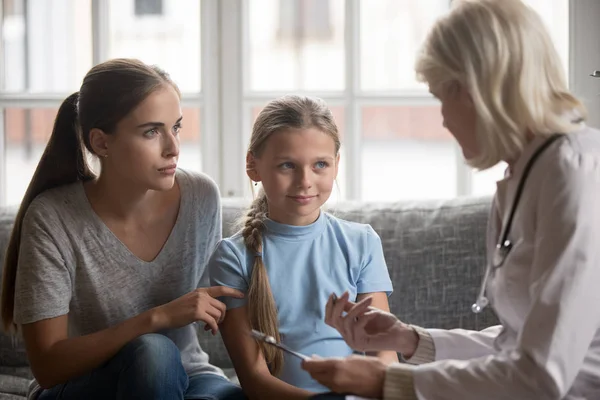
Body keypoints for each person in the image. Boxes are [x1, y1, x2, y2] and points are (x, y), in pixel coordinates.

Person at [301, 0, 600, 399]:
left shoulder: (574, 172)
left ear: (481, 91)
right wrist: (410, 339)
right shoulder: (523, 175)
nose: (442, 118)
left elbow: (540, 376)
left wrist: (387, 382)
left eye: (443, 96)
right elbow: (515, 346)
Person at [0, 58, 246, 400]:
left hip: (187, 375)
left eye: (175, 127)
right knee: (154, 355)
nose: (173, 148)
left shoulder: (201, 197)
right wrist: (156, 318)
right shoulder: (52, 217)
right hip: (81, 386)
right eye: (151, 131)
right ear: (101, 143)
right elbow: (48, 365)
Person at [208, 95, 397, 399]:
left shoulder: (362, 243)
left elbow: (385, 356)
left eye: (320, 164)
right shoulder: (233, 257)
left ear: (336, 165)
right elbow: (255, 381)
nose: (305, 181)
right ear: (253, 166)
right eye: (287, 165)